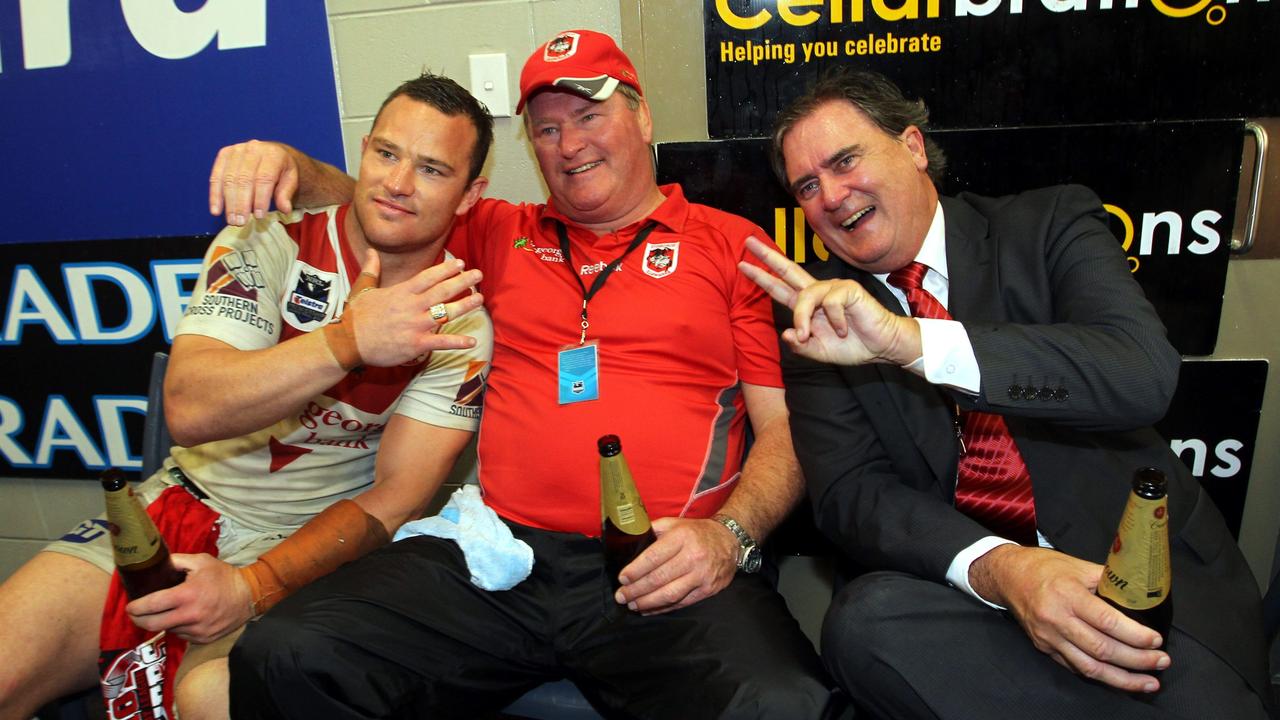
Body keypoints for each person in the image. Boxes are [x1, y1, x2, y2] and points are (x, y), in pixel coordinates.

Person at [210, 30, 839, 719]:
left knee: (785, 703)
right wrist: (289, 164)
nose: (569, 145)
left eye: (590, 116)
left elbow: (784, 429)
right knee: (287, 651)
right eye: (546, 129)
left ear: (643, 116)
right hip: (495, 556)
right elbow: (388, 200)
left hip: (665, 561)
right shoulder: (498, 231)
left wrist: (731, 536)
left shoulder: (728, 246)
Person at [739, 69, 1271, 719]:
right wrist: (1005, 570)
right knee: (862, 625)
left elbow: (1141, 375)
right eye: (806, 186)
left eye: (845, 160)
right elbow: (852, 495)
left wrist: (910, 343)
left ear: (910, 145)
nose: (831, 195)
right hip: (979, 611)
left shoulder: (1047, 224)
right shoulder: (817, 314)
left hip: (1142, 597)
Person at [0, 72, 495, 720]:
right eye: (387, 154)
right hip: (182, 503)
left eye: (432, 169)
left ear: (469, 195)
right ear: (365, 148)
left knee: (212, 700)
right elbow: (190, 409)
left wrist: (250, 586)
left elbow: (392, 502)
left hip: (308, 544)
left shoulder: (458, 321)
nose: (398, 183)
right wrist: (347, 342)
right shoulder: (269, 239)